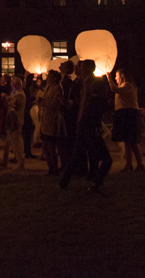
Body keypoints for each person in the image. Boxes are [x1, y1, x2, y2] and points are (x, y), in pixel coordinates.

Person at [59, 60, 112, 192]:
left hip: (85, 122)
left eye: (82, 67)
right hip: (87, 123)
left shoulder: (90, 83)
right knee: (86, 155)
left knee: (78, 154)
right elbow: (88, 106)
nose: (80, 69)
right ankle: (95, 182)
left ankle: (65, 182)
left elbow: (87, 105)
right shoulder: (85, 83)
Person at [109, 69, 144, 172]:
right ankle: (129, 165)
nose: (115, 78)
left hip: (129, 114)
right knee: (128, 141)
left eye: (117, 76)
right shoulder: (125, 86)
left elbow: (115, 89)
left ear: (122, 76)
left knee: (132, 141)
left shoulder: (127, 85)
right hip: (126, 114)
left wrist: (108, 77)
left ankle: (139, 164)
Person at [39, 70, 66, 176]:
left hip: (52, 120)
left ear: (55, 78)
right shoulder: (48, 87)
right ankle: (50, 168)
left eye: (49, 77)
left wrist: (44, 101)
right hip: (45, 119)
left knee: (51, 145)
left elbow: (55, 104)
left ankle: (54, 169)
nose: (47, 78)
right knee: (45, 145)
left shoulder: (58, 89)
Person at [0, 76, 27, 170]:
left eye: (13, 84)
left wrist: (6, 97)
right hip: (13, 121)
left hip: (16, 122)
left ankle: (20, 163)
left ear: (18, 84)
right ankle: (5, 161)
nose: (11, 85)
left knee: (16, 144)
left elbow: (14, 104)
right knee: (7, 144)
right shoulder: (16, 93)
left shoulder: (20, 95)